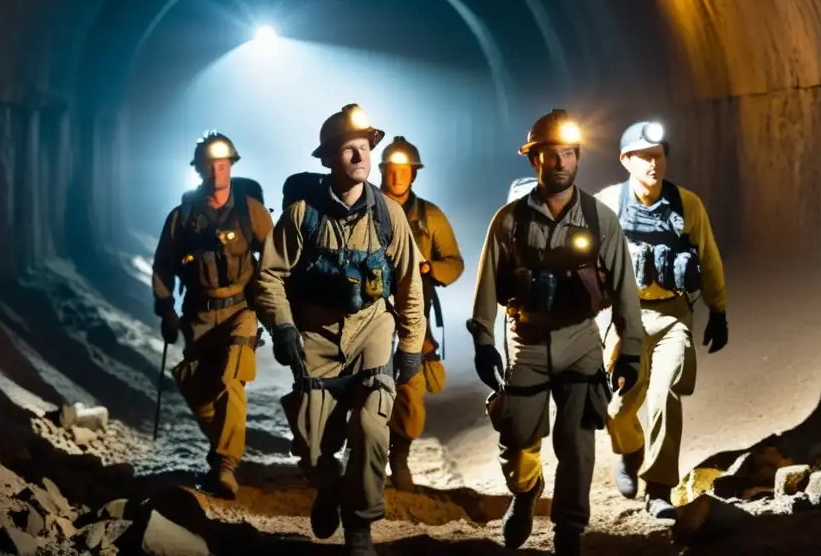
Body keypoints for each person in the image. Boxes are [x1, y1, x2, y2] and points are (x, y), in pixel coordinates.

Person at [468, 109, 645, 555]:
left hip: (581, 340)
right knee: (517, 439)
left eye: (570, 154)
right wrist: (484, 340)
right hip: (526, 340)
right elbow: (487, 282)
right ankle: (525, 494)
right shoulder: (508, 221)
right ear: (535, 161)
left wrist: (630, 350)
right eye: (552, 155)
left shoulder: (599, 218)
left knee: (577, 444)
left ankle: (569, 530)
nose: (562, 163)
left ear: (578, 158)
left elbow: (624, 287)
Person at [253, 104, 426, 555]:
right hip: (315, 336)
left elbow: (409, 284)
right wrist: (284, 327)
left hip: (371, 329)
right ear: (328, 159)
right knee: (313, 450)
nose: (359, 157)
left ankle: (360, 528)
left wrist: (409, 345)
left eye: (365, 148)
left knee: (371, 427)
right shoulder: (301, 216)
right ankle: (329, 486)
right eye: (348, 149)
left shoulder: (389, 216)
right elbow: (268, 277)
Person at [597, 120, 728, 519]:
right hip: (625, 321)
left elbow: (707, 258)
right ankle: (631, 450)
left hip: (673, 315)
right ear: (626, 160)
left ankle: (659, 488)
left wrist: (718, 310)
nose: (654, 164)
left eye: (659, 155)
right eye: (645, 157)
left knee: (664, 395)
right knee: (618, 410)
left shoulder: (687, 204)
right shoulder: (606, 204)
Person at [151, 131, 274, 498]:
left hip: (240, 309)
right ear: (200, 169)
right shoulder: (183, 217)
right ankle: (223, 442)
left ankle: (225, 465)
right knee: (199, 388)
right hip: (199, 314)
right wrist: (165, 309)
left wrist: (271, 309)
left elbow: (274, 260)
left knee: (232, 377)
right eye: (211, 164)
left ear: (231, 166)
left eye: (224, 164)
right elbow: (163, 266)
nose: (218, 171)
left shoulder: (250, 210)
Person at [377, 136, 464, 491]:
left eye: (404, 170)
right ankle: (363, 456)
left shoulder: (429, 216)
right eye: (392, 169)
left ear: (414, 174)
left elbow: (454, 263)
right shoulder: (364, 208)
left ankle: (399, 458)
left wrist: (431, 269)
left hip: (414, 319)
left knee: (411, 395)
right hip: (367, 314)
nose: (398, 176)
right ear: (382, 171)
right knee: (364, 390)